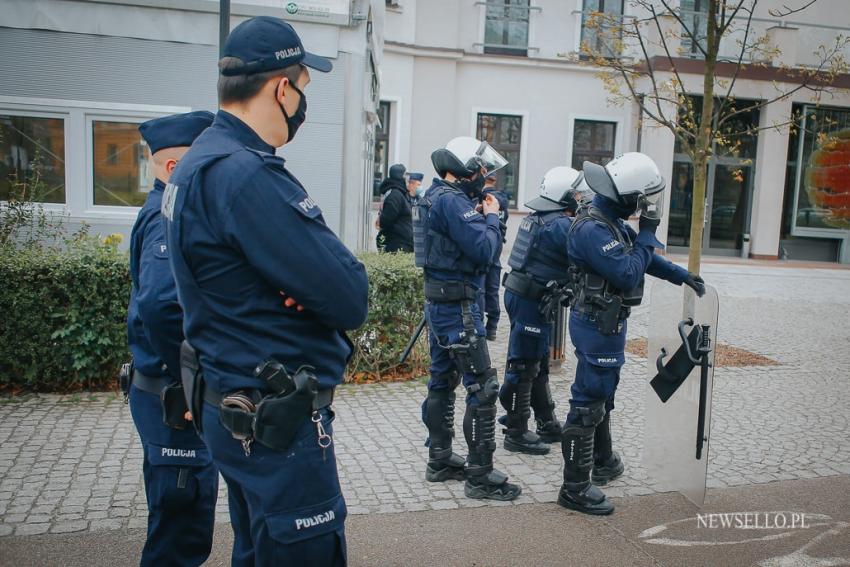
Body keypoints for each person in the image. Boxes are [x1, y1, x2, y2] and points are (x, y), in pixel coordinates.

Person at [162, 16, 368, 565]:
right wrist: (305, 288)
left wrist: (297, 284)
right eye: (304, 88)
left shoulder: (196, 163)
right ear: (282, 88)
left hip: (236, 408)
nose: (303, 104)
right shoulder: (246, 175)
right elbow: (350, 295)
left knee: (256, 549)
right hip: (276, 423)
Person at [559, 152, 706, 515]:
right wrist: (648, 234)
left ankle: (603, 461)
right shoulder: (594, 228)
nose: (645, 208)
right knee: (588, 402)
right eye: (642, 201)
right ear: (628, 196)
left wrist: (681, 276)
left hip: (605, 322)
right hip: (597, 324)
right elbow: (627, 271)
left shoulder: (609, 221)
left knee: (603, 396)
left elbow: (644, 258)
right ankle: (574, 488)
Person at [127, 110, 218, 567]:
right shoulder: (167, 216)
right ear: (171, 168)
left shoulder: (166, 209)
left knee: (178, 515)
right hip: (172, 397)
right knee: (179, 532)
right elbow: (161, 306)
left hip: (164, 391)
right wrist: (190, 381)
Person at [413, 135, 521, 501]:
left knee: (442, 380)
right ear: (459, 171)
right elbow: (485, 250)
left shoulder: (435, 196)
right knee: (483, 386)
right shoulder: (451, 201)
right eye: (480, 169)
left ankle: (440, 459)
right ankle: (479, 476)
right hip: (458, 306)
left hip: (442, 302)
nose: (485, 174)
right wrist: (492, 218)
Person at [499, 166, 590, 456]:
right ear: (563, 196)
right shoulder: (559, 225)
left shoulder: (539, 217)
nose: (580, 198)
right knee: (523, 365)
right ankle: (515, 431)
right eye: (576, 193)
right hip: (529, 299)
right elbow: (586, 252)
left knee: (537, 362)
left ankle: (546, 423)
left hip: (526, 297)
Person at [480, 174, 510, 341]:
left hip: (483, 247)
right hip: (496, 250)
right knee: (492, 290)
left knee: (480, 288)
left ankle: (480, 326)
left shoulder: (484, 199)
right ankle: (492, 327)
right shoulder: (501, 202)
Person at [377, 163, 414, 252]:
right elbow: (385, 220)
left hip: (403, 245)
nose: (407, 179)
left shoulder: (401, 194)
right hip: (397, 246)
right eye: (405, 175)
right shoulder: (395, 195)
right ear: (400, 176)